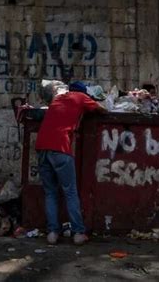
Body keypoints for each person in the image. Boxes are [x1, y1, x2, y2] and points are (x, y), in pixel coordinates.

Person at [35, 81, 107, 245]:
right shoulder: (81, 97)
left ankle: (52, 233)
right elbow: (102, 110)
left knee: (50, 192)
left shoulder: (56, 99)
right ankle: (78, 233)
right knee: (70, 192)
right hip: (60, 147)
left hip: (41, 147)